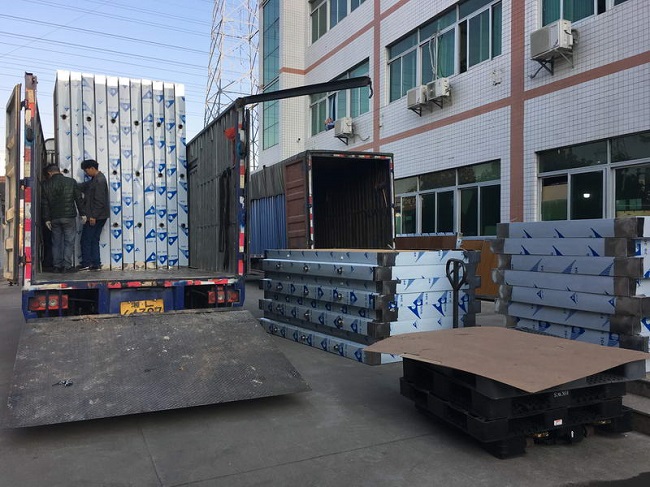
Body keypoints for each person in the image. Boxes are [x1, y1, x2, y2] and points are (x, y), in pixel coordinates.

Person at [41, 163, 85, 273]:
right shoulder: (71, 182)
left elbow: (45, 204)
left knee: (56, 243)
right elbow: (78, 199)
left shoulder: (46, 184)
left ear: (49, 173)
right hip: (69, 217)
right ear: (59, 171)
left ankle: (56, 266)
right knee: (69, 242)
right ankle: (66, 266)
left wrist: (47, 219)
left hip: (54, 218)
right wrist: (83, 213)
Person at [78, 159, 110, 271]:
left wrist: (93, 216)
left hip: (96, 216)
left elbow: (100, 201)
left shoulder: (99, 181)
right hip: (99, 215)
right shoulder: (95, 179)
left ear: (92, 168)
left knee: (86, 240)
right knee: (94, 240)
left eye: (86, 170)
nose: (86, 173)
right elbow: (84, 186)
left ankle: (87, 263)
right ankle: (96, 264)